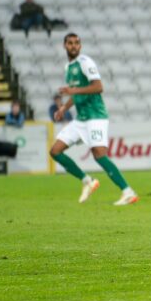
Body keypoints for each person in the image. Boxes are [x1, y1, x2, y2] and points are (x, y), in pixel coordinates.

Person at [49, 33, 137, 205]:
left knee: (99, 155)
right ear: (64, 46)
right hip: (81, 119)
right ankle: (87, 181)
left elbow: (98, 87)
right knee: (55, 151)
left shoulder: (85, 62)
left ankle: (128, 192)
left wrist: (73, 91)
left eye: (76, 43)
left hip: (95, 116)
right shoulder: (69, 67)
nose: (73, 46)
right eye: (70, 43)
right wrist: (63, 108)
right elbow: (76, 93)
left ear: (80, 46)